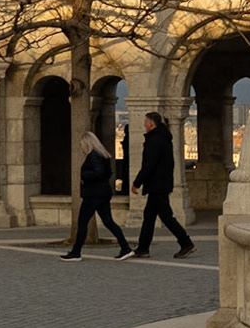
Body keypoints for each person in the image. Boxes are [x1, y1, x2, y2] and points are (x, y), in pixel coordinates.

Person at [130, 111, 196, 258]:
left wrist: (137, 183)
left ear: (151, 124)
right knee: (149, 216)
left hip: (157, 185)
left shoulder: (154, 141)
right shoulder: (163, 139)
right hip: (161, 183)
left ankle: (186, 242)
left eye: (145, 123)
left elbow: (149, 165)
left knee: (166, 216)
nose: (144, 125)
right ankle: (143, 248)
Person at [61, 131, 133, 260]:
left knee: (82, 223)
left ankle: (76, 252)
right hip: (103, 192)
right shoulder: (103, 155)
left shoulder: (93, 156)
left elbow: (98, 173)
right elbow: (108, 173)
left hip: (92, 194)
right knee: (108, 222)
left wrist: (84, 176)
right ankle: (125, 247)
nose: (81, 147)